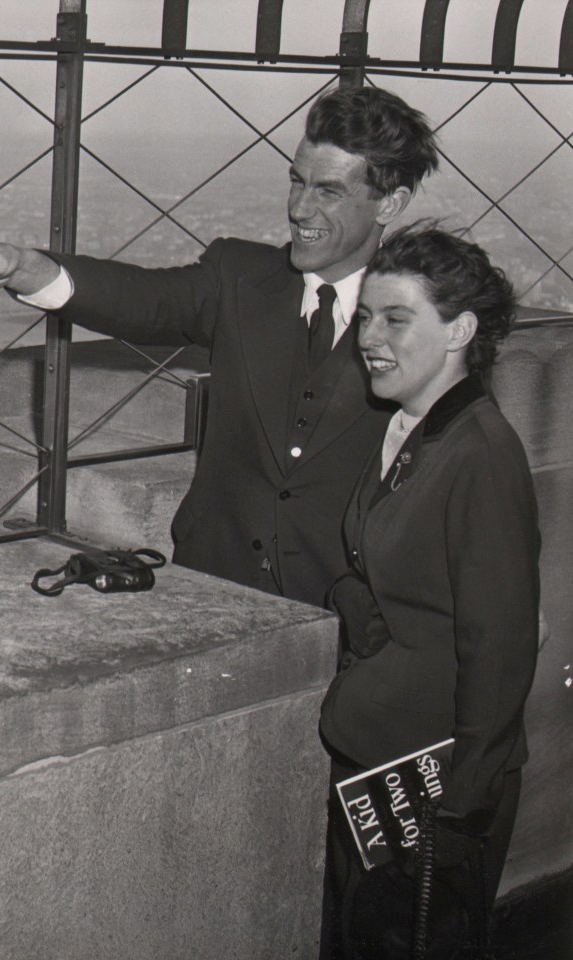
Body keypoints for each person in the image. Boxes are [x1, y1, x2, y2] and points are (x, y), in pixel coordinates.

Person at [0, 85, 440, 608]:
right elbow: (140, 298)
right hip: (210, 589)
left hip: (344, 618)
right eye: (296, 182)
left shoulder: (427, 322)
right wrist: (23, 266)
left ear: (390, 203)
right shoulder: (238, 277)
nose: (299, 209)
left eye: (328, 191)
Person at [318, 224, 540, 959]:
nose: (367, 337)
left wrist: (461, 811)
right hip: (384, 773)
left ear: (460, 331)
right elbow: (386, 568)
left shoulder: (480, 454)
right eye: (366, 316)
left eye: (396, 319)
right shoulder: (411, 429)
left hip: (433, 795)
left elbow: (500, 647)